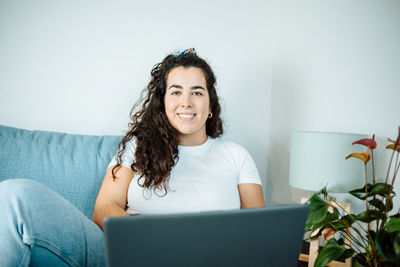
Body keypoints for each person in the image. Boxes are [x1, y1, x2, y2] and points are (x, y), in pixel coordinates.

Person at [0, 48, 265, 266]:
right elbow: (104, 210)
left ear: (210, 105)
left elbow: (260, 233)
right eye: (175, 92)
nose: (186, 102)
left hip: (206, 260)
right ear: (163, 103)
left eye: (197, 92)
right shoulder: (138, 146)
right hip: (129, 255)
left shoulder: (236, 156)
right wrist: (152, 241)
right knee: (15, 195)